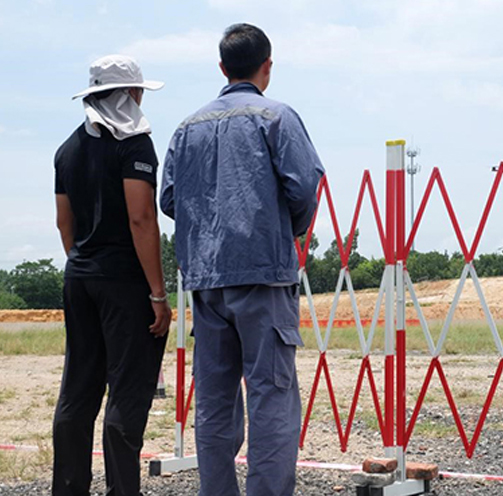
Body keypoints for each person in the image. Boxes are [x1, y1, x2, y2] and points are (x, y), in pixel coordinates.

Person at [160, 23, 324, 496]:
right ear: (266, 66)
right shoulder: (276, 117)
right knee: (271, 398)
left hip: (206, 281)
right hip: (263, 277)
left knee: (213, 401)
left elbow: (170, 199)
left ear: (222, 67)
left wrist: (207, 227)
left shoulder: (187, 127)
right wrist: (278, 229)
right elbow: (304, 186)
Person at [53, 55, 171, 496]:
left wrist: (84, 264)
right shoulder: (134, 143)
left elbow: (65, 224)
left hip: (79, 276)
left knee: (77, 393)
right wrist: (157, 293)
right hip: (124, 281)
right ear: (128, 94)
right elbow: (141, 218)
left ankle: (68, 489)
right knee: (127, 392)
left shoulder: (67, 148)